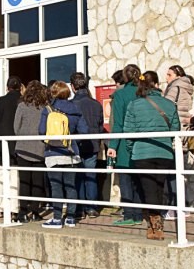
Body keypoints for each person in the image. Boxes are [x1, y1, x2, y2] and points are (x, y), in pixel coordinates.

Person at [123, 71, 180, 240]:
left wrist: (132, 149)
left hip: (142, 152)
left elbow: (129, 132)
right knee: (159, 188)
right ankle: (157, 224)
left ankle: (154, 226)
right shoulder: (169, 104)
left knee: (147, 189)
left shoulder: (134, 105)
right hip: (164, 151)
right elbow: (175, 129)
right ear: (156, 84)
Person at [39, 80, 90, 228]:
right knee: (71, 186)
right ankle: (71, 218)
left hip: (53, 152)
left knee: (56, 186)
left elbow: (42, 132)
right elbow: (84, 131)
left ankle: (56, 218)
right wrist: (71, 141)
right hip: (71, 152)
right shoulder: (75, 108)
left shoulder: (48, 109)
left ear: (53, 93)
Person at [107, 64, 145, 225]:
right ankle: (139, 214)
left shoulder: (120, 94)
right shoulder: (145, 92)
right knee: (138, 180)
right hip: (143, 141)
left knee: (125, 179)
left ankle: (129, 215)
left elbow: (118, 123)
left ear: (125, 77)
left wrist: (112, 145)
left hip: (124, 141)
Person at [0, 76, 23, 216]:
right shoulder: (23, 102)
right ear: (20, 87)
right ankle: (14, 208)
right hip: (17, 146)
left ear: (7, 87)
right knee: (14, 178)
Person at [14, 80, 51, 222]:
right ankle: (35, 211)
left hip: (23, 148)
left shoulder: (22, 106)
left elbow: (16, 128)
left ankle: (23, 212)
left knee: (24, 182)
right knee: (38, 183)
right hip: (40, 149)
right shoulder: (46, 108)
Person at [71, 72, 105, 220]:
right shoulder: (96, 104)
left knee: (78, 177)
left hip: (77, 144)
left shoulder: (71, 105)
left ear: (73, 87)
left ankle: (79, 209)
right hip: (93, 144)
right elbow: (100, 125)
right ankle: (91, 207)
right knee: (91, 176)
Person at [162, 65, 194, 221]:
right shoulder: (187, 88)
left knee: (173, 172)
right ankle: (183, 205)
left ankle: (175, 207)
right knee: (179, 172)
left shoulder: (175, 87)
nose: (166, 78)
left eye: (169, 74)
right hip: (184, 134)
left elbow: (165, 108)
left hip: (174, 134)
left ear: (177, 75)